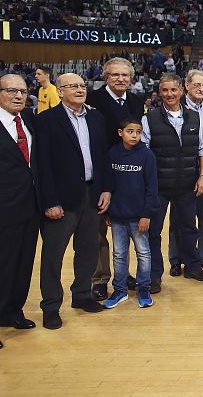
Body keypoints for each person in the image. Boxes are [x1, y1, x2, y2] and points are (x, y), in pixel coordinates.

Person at [36, 73, 112, 330]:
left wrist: (106, 189)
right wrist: (49, 200)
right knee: (53, 255)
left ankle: (82, 295)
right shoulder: (46, 120)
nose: (79, 90)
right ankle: (50, 306)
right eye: (72, 86)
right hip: (61, 199)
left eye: (82, 85)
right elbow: (42, 165)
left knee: (88, 249)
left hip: (91, 194)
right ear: (59, 90)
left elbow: (102, 157)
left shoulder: (96, 118)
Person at [141, 73, 203, 291]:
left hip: (187, 184)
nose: (169, 94)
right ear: (159, 93)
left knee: (190, 227)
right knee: (154, 231)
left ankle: (192, 265)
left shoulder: (195, 117)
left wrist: (202, 176)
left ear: (181, 90)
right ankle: (154, 276)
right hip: (159, 187)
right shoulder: (149, 118)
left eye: (173, 90)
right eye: (165, 90)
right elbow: (144, 154)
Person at [87, 57, 145, 301]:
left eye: (125, 75)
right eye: (115, 75)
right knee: (99, 231)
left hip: (130, 175)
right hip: (102, 172)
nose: (121, 79)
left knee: (128, 229)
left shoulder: (136, 101)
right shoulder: (92, 100)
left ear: (131, 78)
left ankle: (124, 273)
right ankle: (99, 278)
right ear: (105, 76)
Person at [103, 117, 159, 309]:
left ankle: (143, 287)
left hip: (139, 216)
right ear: (120, 133)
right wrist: (108, 211)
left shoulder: (147, 155)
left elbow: (152, 188)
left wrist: (146, 214)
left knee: (143, 252)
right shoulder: (113, 154)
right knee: (119, 253)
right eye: (130, 131)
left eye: (138, 132)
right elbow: (109, 185)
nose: (134, 135)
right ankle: (119, 289)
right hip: (117, 215)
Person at [0, 74, 39, 344]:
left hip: (30, 205)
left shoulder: (29, 122)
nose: (18, 96)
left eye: (23, 92)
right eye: (11, 91)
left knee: (23, 262)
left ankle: (12, 311)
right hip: (4, 207)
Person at [172, 70, 203, 275]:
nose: (200, 89)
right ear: (186, 86)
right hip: (183, 169)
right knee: (179, 216)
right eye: (196, 85)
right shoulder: (176, 107)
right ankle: (176, 258)